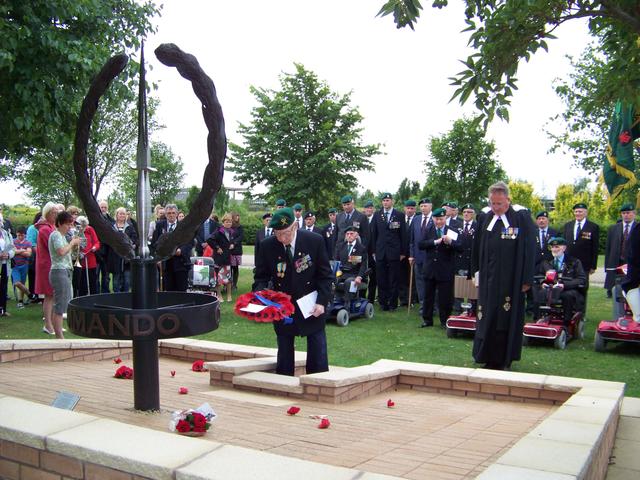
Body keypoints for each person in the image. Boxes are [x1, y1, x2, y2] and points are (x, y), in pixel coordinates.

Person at [253, 208, 333, 376]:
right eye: (278, 234)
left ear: (295, 226)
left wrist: (321, 302)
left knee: (317, 348)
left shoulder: (314, 241)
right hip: (283, 304)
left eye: (286, 233)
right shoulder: (267, 245)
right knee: (284, 348)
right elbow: (260, 276)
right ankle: (284, 382)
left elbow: (325, 275)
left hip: (310, 303)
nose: (282, 238)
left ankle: (319, 382)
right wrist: (261, 295)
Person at [471, 182, 536, 370]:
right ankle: (485, 355)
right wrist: (476, 272)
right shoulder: (485, 218)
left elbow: (530, 250)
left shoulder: (521, 218)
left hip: (511, 281)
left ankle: (504, 359)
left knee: (505, 317)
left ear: (508, 200)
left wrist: (526, 279)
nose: (496, 208)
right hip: (488, 280)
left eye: (500, 204)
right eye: (493, 203)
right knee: (487, 316)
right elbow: (476, 248)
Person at [419, 208, 462, 327]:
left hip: (445, 270)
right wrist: (435, 242)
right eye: (437, 219)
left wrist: (450, 242)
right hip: (430, 269)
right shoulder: (428, 230)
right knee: (428, 296)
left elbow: (460, 247)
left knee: (445, 297)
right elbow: (421, 244)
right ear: (433, 219)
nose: (439, 222)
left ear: (445, 219)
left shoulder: (451, 231)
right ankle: (427, 320)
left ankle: (444, 320)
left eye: (441, 219)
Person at [538, 237, 586, 331]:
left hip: (568, 289)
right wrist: (542, 282)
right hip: (551, 288)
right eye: (552, 247)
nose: (554, 249)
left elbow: (581, 279)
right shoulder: (546, 261)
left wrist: (565, 285)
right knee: (539, 292)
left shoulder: (574, 262)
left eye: (557, 247)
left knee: (566, 296)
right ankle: (540, 318)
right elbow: (540, 274)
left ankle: (566, 323)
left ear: (564, 248)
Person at [370, 193, 407, 311]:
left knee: (394, 279)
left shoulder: (399, 215)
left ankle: (392, 304)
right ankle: (383, 303)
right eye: (384, 200)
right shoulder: (377, 215)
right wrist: (374, 252)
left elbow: (403, 235)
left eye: (388, 200)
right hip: (380, 252)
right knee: (381, 279)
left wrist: (403, 252)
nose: (385, 202)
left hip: (394, 252)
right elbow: (373, 234)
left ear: (392, 201)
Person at [49, 211, 81, 339]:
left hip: (65, 271)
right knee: (60, 305)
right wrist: (72, 243)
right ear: (61, 223)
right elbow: (61, 251)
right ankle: (59, 336)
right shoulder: (56, 235)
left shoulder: (62, 237)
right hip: (59, 271)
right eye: (68, 224)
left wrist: (74, 247)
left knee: (62, 303)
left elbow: (66, 253)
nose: (70, 227)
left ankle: (58, 333)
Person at [150, 204, 194, 292]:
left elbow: (190, 242)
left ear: (177, 214)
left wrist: (181, 250)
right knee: (169, 290)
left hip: (181, 262)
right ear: (165, 214)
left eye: (173, 213)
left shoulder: (184, 226)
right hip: (166, 263)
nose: (171, 215)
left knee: (181, 290)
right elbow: (155, 243)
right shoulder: (159, 225)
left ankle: (182, 306)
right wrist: (158, 257)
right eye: (169, 213)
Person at [605, 203, 637, 317]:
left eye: (628, 213)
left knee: (632, 293)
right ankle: (618, 318)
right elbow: (608, 249)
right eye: (624, 213)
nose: (626, 215)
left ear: (634, 213)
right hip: (616, 265)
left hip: (633, 266)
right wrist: (607, 268)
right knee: (616, 292)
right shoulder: (613, 229)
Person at [563, 203, 599, 303]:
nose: (578, 213)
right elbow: (564, 245)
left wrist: (593, 265)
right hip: (569, 263)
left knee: (583, 287)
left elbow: (595, 247)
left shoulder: (593, 227)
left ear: (586, 213)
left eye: (580, 211)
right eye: (576, 211)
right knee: (568, 286)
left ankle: (581, 314)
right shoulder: (568, 226)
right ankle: (570, 311)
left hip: (584, 263)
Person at [35, 202, 61, 334]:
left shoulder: (52, 227)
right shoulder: (45, 229)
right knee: (49, 295)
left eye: (57, 212)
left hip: (53, 264)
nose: (57, 214)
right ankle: (48, 325)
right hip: (47, 265)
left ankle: (54, 324)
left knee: (54, 295)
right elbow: (55, 248)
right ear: (48, 213)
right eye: (54, 212)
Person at [408, 198, 433, 314]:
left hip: (431, 257)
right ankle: (423, 306)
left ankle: (433, 306)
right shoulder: (416, 219)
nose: (423, 208)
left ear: (431, 206)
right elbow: (412, 240)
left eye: (425, 206)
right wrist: (411, 255)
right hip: (418, 257)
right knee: (420, 283)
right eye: (422, 206)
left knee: (432, 282)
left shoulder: (436, 219)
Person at [335, 226, 368, 309]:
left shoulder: (361, 248)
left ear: (356, 235)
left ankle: (347, 305)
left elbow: (363, 266)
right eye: (347, 234)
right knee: (331, 281)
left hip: (355, 275)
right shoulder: (340, 246)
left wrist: (359, 277)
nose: (349, 236)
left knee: (349, 282)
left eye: (351, 234)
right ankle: (334, 302)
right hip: (341, 274)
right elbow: (336, 261)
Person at [108, 207, 138, 293]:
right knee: (116, 280)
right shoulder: (111, 226)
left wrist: (132, 245)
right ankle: (116, 298)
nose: (122, 215)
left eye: (123, 214)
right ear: (116, 215)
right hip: (115, 256)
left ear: (126, 216)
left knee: (127, 280)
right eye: (120, 213)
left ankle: (125, 297)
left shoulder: (130, 227)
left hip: (127, 258)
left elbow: (135, 238)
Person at [207, 213, 235, 301]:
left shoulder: (231, 232)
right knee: (218, 278)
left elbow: (232, 241)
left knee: (228, 277)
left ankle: (229, 295)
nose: (229, 223)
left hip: (227, 257)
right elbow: (209, 239)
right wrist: (217, 247)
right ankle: (219, 295)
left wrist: (232, 244)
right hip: (218, 258)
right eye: (227, 222)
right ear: (223, 222)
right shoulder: (219, 231)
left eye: (230, 222)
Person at [399, 200, 417, 307]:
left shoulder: (418, 219)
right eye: (408, 208)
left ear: (415, 209)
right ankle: (403, 299)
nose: (409, 210)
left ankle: (412, 299)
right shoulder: (400, 219)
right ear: (404, 208)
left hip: (413, 253)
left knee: (412, 277)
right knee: (402, 276)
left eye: (412, 208)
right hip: (401, 253)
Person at [12, 226, 32, 308]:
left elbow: (28, 254)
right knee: (17, 283)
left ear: (25, 235)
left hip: (24, 265)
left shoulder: (28, 243)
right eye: (18, 235)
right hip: (14, 266)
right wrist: (23, 250)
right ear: (16, 234)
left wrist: (18, 251)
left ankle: (20, 301)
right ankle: (29, 294)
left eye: (22, 235)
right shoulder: (13, 241)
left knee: (22, 283)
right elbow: (12, 251)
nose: (20, 237)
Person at [96, 200, 113, 293]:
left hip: (107, 252)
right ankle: (96, 293)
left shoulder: (111, 221)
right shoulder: (94, 220)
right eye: (101, 207)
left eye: (105, 207)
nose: (103, 209)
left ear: (107, 208)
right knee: (96, 275)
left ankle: (105, 293)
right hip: (96, 252)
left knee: (106, 276)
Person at [0, 221, 15, 317]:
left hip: (5, 264)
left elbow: (13, 248)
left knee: (3, 287)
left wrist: (9, 255)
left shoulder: (6, 233)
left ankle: (3, 309)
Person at [26, 212, 41, 303]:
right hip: (34, 255)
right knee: (33, 275)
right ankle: (34, 295)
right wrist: (40, 253)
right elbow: (31, 242)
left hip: (39, 254)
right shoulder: (33, 228)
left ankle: (39, 295)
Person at [230, 212, 244, 291]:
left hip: (237, 250)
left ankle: (234, 285)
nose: (237, 217)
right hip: (229, 250)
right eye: (236, 216)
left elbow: (241, 237)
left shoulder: (240, 227)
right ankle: (228, 284)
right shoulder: (229, 226)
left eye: (238, 216)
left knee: (235, 268)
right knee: (229, 268)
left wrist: (234, 243)